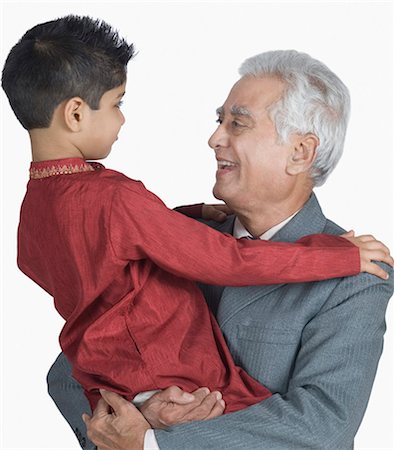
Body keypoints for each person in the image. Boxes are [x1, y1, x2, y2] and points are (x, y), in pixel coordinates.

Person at [3, 14, 390, 444]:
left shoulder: (355, 277)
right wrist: (134, 416)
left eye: (236, 123)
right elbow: (67, 372)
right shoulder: (155, 233)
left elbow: (322, 429)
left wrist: (152, 441)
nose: (213, 138)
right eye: (219, 119)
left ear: (300, 152)